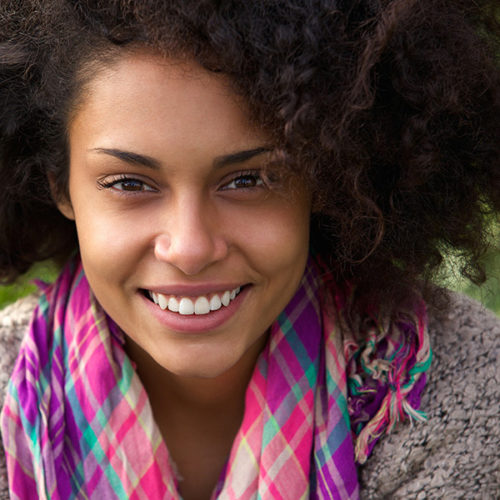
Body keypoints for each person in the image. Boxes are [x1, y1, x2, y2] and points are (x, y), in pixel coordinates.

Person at [0, 1, 498, 498]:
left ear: (322, 177)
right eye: (130, 183)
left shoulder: (465, 384)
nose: (190, 249)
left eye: (248, 179)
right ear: (61, 188)